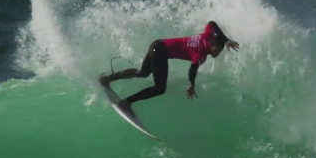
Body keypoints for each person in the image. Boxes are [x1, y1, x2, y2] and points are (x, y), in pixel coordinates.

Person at [99, 21, 239, 113]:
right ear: (211, 45)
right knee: (160, 88)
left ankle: (108, 78)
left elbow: (212, 23)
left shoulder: (207, 35)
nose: (217, 54)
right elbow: (193, 68)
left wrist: (226, 40)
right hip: (160, 52)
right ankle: (126, 102)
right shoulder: (202, 53)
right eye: (217, 51)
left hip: (157, 44)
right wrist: (191, 84)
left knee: (143, 72)